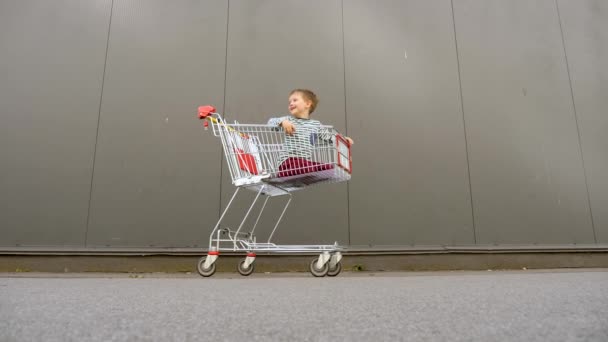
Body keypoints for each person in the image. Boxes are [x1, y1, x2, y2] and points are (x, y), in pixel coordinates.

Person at [267, 89, 354, 177]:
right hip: (288, 162)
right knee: (307, 168)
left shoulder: (316, 125)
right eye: (289, 102)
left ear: (308, 104)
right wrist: (282, 123)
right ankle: (307, 172)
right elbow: (270, 123)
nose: (291, 103)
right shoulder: (288, 120)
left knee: (329, 168)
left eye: (295, 100)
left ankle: (310, 172)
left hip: (304, 162)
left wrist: (343, 139)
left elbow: (329, 137)